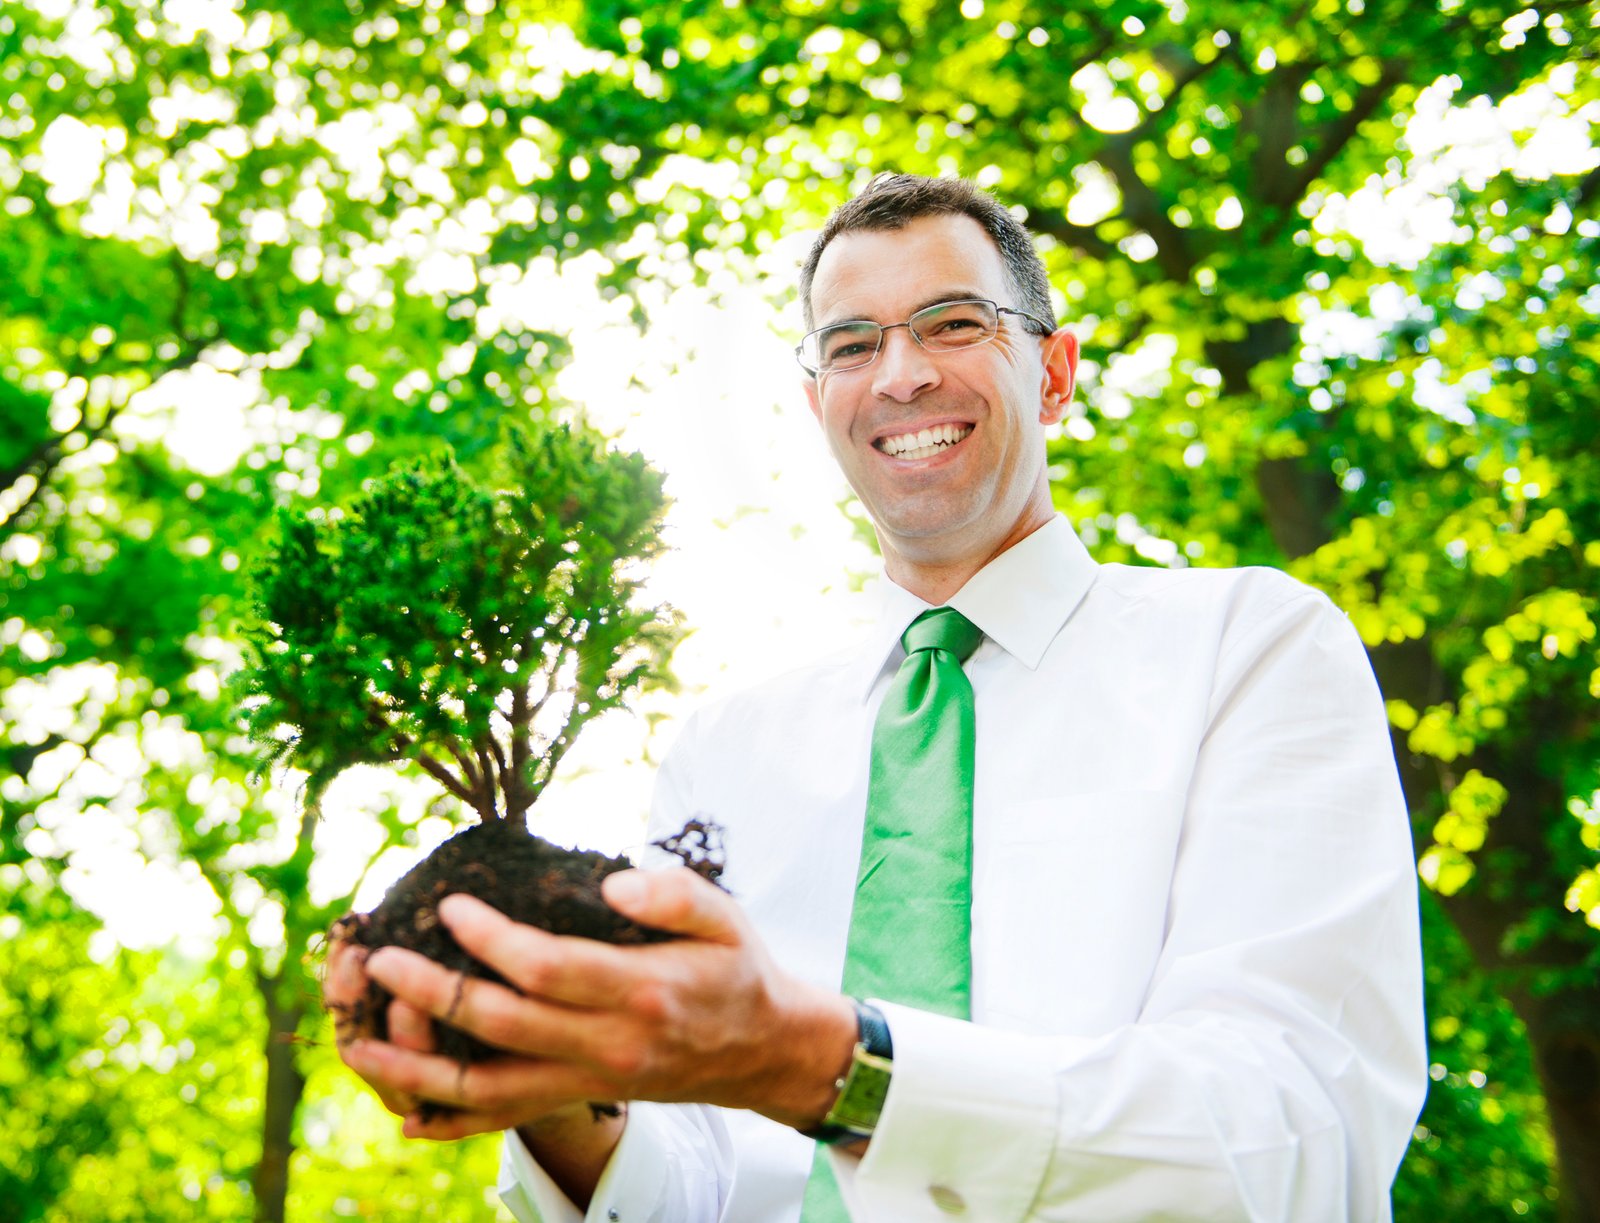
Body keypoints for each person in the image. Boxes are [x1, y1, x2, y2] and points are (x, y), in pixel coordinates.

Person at [325, 174, 1427, 1221]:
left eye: (952, 324)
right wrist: (561, 1088)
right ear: (818, 404)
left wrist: (820, 1062)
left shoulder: (1251, 650)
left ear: (1052, 372)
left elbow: (1291, 1132)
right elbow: (692, 1179)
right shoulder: (726, 746)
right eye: (853, 344)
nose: (899, 374)